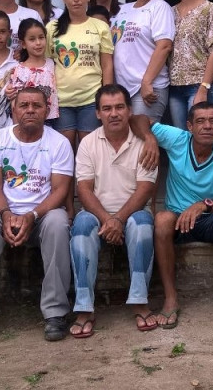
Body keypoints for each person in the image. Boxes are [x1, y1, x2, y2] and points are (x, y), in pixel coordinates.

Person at [0, 87, 74, 346]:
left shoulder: (58, 142)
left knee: (59, 224)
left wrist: (33, 215)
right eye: (24, 105)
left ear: (47, 110)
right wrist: (5, 214)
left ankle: (55, 312)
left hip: (43, 213)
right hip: (5, 210)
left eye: (36, 105)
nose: (30, 110)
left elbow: (60, 190)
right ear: (13, 110)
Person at [133, 101, 213, 326]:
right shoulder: (177, 139)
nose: (207, 126)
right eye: (200, 121)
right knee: (162, 219)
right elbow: (138, 119)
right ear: (189, 126)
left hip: (210, 219)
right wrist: (149, 138)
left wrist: (203, 205)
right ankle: (171, 298)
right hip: (178, 220)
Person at [69, 84, 158, 337]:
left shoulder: (144, 143)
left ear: (129, 110)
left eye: (120, 107)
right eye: (107, 108)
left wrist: (119, 219)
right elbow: (84, 189)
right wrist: (109, 220)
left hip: (132, 214)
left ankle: (140, 302)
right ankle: (84, 308)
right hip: (99, 215)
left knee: (141, 225)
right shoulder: (88, 143)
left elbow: (145, 189)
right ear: (98, 113)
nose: (114, 113)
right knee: (82, 226)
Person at [47, 0, 115, 213]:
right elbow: (45, 64)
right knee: (64, 160)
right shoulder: (52, 28)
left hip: (90, 101)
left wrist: (105, 100)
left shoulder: (100, 26)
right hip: (62, 103)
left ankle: (89, 209)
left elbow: (107, 65)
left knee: (89, 157)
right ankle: (66, 209)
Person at [112, 0, 175, 124]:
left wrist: (147, 81)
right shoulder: (123, 10)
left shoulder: (160, 7)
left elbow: (164, 46)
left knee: (142, 138)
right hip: (123, 90)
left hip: (146, 88)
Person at [168, 0, 213, 130]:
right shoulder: (170, 11)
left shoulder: (209, 9)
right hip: (175, 87)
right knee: (181, 139)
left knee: (201, 138)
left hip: (199, 84)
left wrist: (204, 87)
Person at [6, 19, 59, 120]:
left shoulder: (52, 63)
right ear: (24, 44)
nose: (38, 43)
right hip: (29, 122)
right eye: (32, 39)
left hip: (52, 120)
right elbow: (16, 105)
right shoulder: (19, 70)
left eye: (41, 37)